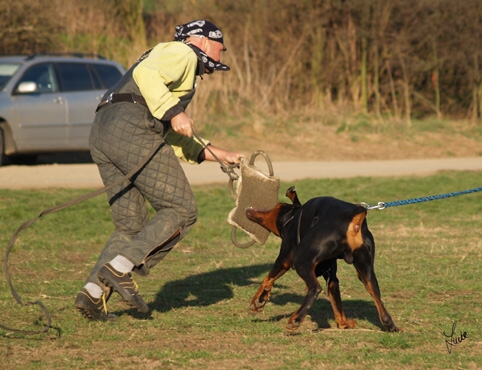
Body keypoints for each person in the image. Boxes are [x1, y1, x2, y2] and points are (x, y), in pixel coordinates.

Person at [74, 20, 244, 321]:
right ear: (202, 41)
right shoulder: (184, 53)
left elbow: (174, 136)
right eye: (220, 47)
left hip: (103, 132)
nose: (220, 57)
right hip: (131, 130)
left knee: (131, 225)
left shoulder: (171, 65)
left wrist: (221, 155)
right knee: (181, 209)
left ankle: (93, 293)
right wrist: (175, 110)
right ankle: (121, 268)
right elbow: (146, 74)